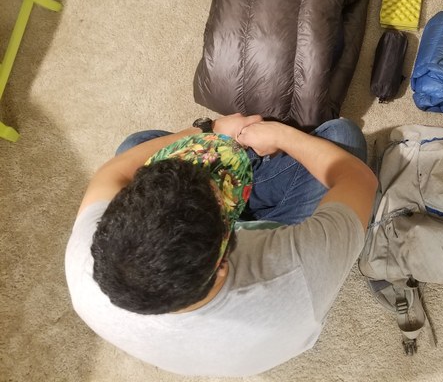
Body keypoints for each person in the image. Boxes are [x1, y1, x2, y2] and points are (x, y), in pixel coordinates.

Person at [65, 113, 378, 377]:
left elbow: (113, 171)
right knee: (343, 136)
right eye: (222, 195)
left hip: (199, 253)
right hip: (280, 232)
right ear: (223, 265)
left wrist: (208, 130)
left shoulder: (86, 264)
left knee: (135, 145)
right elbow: (358, 180)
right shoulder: (294, 274)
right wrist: (280, 135)